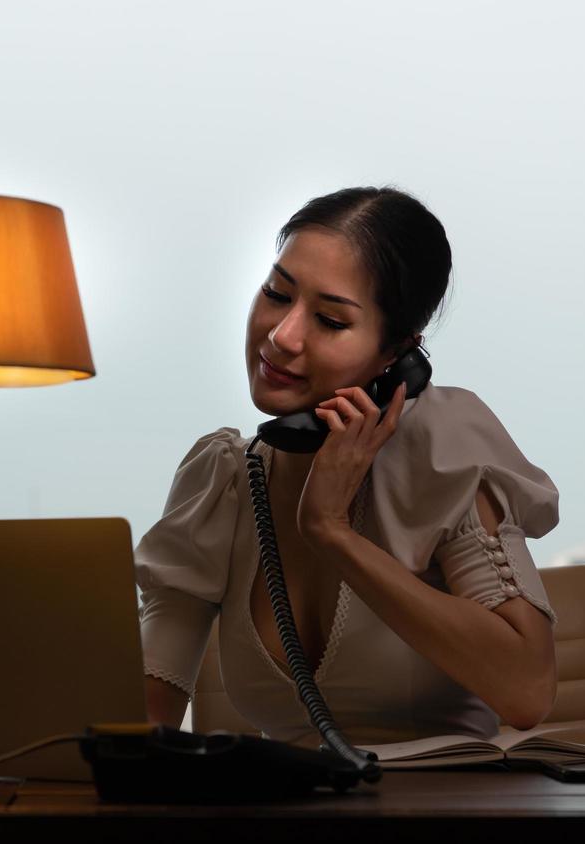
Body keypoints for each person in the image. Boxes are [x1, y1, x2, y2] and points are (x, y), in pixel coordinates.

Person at [135, 187, 560, 746]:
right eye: (276, 293)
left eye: (331, 321)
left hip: (451, 813)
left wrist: (332, 531)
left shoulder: (442, 453)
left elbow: (527, 692)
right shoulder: (227, 480)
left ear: (396, 356)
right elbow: (144, 717)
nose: (282, 336)